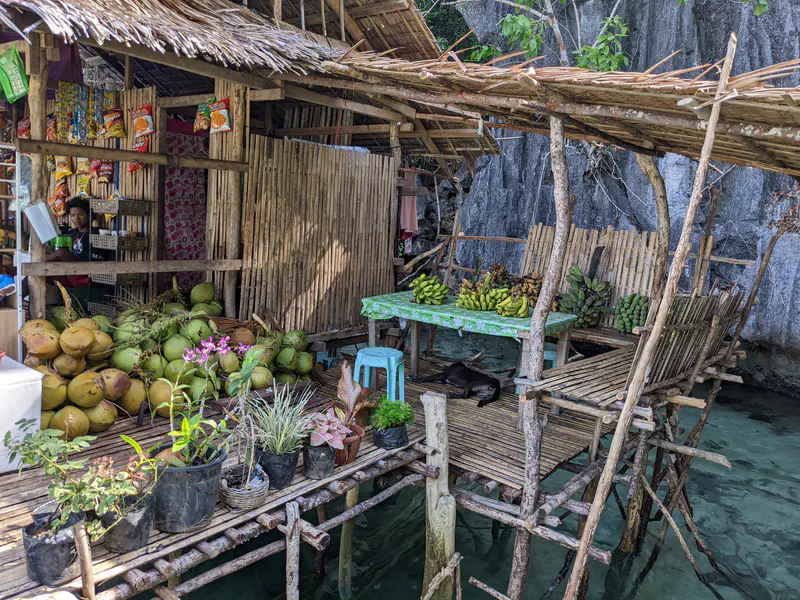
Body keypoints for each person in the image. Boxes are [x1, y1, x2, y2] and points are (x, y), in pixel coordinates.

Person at [46, 197, 106, 288]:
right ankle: (18, 294)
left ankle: (34, 262)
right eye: (73, 215)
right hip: (71, 274)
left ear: (89, 215)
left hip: (86, 275)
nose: (76, 219)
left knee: (62, 253)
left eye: (80, 214)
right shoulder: (71, 233)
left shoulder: (97, 234)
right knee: (40, 274)